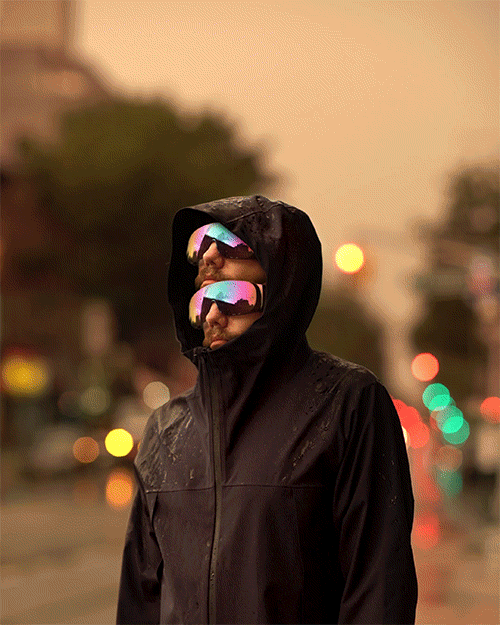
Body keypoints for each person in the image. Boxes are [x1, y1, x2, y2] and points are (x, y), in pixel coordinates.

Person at [117, 195, 418, 625]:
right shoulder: (166, 430)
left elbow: (379, 591)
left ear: (281, 282)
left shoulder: (347, 404)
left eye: (231, 296)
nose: (212, 316)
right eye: (202, 302)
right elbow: (141, 599)